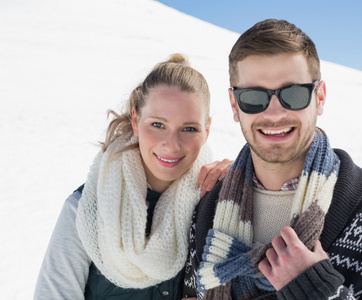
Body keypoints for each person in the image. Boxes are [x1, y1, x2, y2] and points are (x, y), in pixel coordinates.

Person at [183, 19, 362, 299]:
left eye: (293, 94)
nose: (274, 113)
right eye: (254, 98)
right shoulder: (207, 211)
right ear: (235, 106)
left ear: (320, 97)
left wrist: (317, 290)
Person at [34, 54, 232, 300]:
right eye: (158, 124)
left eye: (189, 128)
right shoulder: (86, 209)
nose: (171, 145)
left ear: (207, 130)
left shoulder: (217, 203)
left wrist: (243, 183)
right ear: (136, 120)